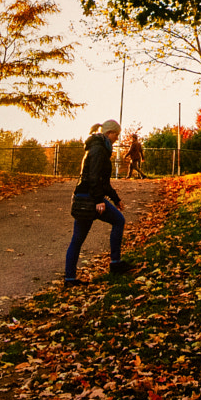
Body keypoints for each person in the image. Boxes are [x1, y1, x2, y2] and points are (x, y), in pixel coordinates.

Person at [66, 119, 129, 286]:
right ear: (110, 133)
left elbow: (103, 181)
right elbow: (94, 177)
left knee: (77, 239)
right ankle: (115, 263)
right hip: (89, 198)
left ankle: (69, 279)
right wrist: (98, 200)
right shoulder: (99, 149)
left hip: (84, 196)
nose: (117, 138)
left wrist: (116, 199)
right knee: (118, 221)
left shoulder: (97, 148)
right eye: (116, 134)